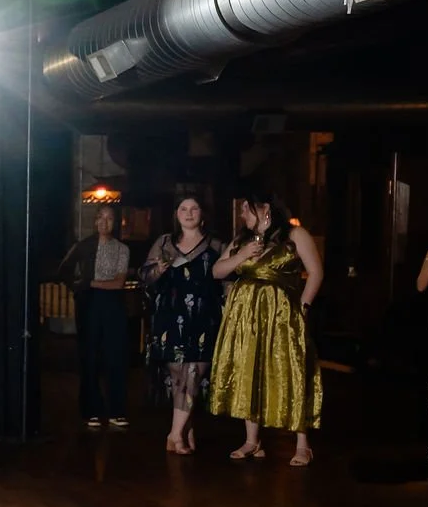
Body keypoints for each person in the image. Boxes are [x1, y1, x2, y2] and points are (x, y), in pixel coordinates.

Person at [210, 189, 324, 466]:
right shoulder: (242, 239)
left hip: (281, 312)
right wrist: (242, 255)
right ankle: (252, 440)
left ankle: (302, 444)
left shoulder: (294, 235)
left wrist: (304, 307)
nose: (241, 214)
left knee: (290, 369)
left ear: (264, 209)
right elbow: (217, 271)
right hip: (246, 314)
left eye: (245, 209)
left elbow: (316, 272)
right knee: (250, 368)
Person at [142, 195, 225, 456]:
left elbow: (228, 281)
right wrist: (160, 269)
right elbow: (144, 276)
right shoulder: (165, 242)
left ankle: (174, 435)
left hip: (203, 319)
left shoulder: (216, 244)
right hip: (170, 317)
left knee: (193, 374)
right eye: (183, 209)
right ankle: (186, 430)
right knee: (179, 376)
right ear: (176, 213)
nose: (189, 213)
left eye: (194, 208)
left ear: (203, 213)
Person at [58, 204, 132, 429]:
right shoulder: (83, 246)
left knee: (114, 355)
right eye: (100, 217)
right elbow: (64, 270)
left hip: (112, 303)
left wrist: (90, 283)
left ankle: (116, 410)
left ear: (115, 222)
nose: (104, 222)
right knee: (89, 356)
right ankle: (90, 409)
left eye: (109, 219)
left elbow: (118, 282)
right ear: (95, 220)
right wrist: (78, 288)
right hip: (88, 303)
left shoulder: (122, 249)